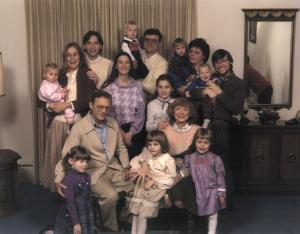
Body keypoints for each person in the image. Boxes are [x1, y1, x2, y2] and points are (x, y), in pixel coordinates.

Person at [54, 90, 134, 231]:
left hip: (113, 167)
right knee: (111, 196)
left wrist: (126, 166)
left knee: (137, 186)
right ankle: (109, 227)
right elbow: (67, 154)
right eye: (100, 107)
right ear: (91, 105)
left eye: (107, 107)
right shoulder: (80, 127)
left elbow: (121, 148)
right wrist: (59, 177)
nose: (104, 111)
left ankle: (124, 217)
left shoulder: (113, 123)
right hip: (93, 172)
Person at [41, 42, 96, 192]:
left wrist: (66, 105)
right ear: (64, 58)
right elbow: (41, 98)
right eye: (68, 55)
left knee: (76, 160)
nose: (72, 58)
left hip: (78, 123)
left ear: (80, 55)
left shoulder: (87, 74)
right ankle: (61, 191)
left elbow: (89, 100)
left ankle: (75, 193)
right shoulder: (57, 74)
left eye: (75, 54)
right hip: (58, 124)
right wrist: (49, 106)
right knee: (58, 159)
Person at [204, 49, 246, 211]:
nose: (220, 64)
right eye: (217, 62)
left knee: (222, 166)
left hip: (222, 126)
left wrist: (218, 92)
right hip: (205, 125)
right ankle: (208, 203)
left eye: (224, 60)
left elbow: (235, 108)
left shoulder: (239, 83)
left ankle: (226, 205)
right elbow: (197, 93)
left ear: (230, 62)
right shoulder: (210, 78)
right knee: (205, 165)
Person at [129, 130, 176, 234]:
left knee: (142, 214)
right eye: (149, 144)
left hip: (157, 188)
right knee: (135, 213)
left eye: (155, 144)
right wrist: (138, 169)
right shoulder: (147, 154)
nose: (152, 147)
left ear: (162, 144)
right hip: (144, 185)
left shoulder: (167, 159)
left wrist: (154, 180)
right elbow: (135, 160)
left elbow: (170, 180)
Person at [182, 129, 226, 234]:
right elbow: (184, 172)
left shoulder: (215, 158)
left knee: (213, 214)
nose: (202, 145)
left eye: (206, 142)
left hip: (212, 191)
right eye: (199, 142)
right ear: (195, 142)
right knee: (198, 211)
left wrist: (221, 193)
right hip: (196, 190)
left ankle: (212, 232)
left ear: (210, 143)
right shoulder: (189, 158)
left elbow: (220, 176)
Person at [102, 52, 145, 159]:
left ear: (130, 65)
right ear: (116, 66)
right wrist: (121, 132)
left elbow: (140, 112)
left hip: (135, 132)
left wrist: (131, 133)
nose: (123, 65)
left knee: (135, 164)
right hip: (114, 129)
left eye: (126, 62)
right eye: (120, 62)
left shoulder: (137, 86)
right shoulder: (109, 88)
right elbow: (107, 114)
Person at [162, 98, 200, 214]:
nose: (181, 112)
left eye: (185, 109)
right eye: (177, 109)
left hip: (190, 170)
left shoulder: (197, 130)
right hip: (168, 168)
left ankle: (171, 196)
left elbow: (201, 160)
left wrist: (181, 174)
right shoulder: (165, 129)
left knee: (179, 201)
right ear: (172, 112)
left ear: (190, 112)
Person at [54, 146, 94, 234]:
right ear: (71, 161)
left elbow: (88, 195)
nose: (85, 164)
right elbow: (70, 203)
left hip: (85, 210)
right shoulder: (68, 180)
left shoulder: (86, 176)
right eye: (81, 161)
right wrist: (76, 223)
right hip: (73, 213)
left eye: (86, 161)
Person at [186, 63, 222, 128]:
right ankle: (192, 120)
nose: (205, 75)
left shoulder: (213, 80)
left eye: (207, 72)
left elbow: (218, 86)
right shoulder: (197, 80)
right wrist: (188, 91)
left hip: (209, 101)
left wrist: (216, 83)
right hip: (199, 100)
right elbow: (191, 86)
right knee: (193, 105)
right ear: (198, 74)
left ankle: (206, 120)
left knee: (206, 103)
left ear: (210, 72)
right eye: (202, 73)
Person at [38, 63, 74, 127]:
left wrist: (63, 90)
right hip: (50, 101)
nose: (54, 77)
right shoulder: (45, 85)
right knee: (64, 104)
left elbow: (58, 88)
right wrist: (62, 95)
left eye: (56, 75)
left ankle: (69, 117)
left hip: (55, 99)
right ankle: (70, 117)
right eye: (51, 74)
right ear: (44, 75)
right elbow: (51, 96)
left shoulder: (55, 82)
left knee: (65, 103)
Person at [140, 28, 168, 100]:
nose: (149, 43)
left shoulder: (162, 62)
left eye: (154, 41)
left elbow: (154, 87)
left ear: (159, 43)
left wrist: (133, 83)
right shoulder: (136, 54)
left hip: (147, 100)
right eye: (147, 40)